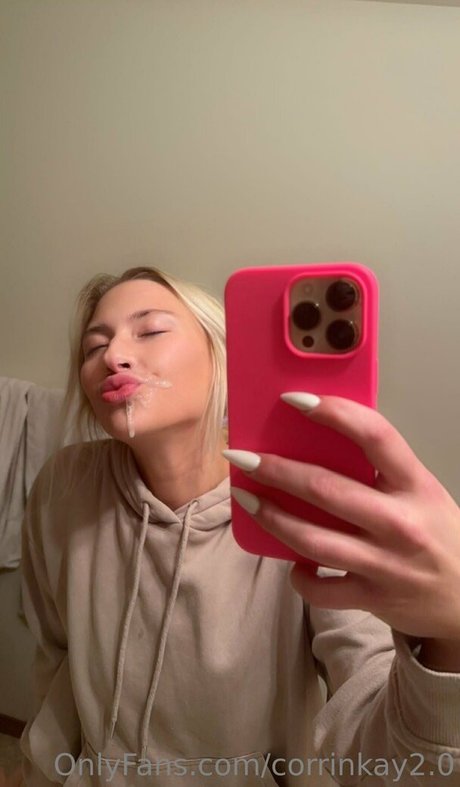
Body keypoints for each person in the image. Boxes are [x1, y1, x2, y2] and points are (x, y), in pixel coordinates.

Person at [19, 266, 460, 787]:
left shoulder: (304, 514)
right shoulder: (64, 484)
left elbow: (390, 760)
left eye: (150, 330)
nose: (113, 356)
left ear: (223, 357)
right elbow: (55, 652)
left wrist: (448, 644)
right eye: (94, 346)